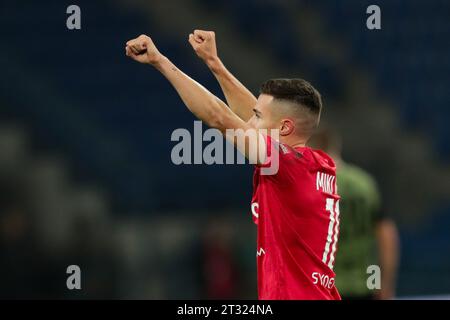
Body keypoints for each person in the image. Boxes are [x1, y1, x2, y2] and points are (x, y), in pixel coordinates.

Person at [125, 30, 341, 299]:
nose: (250, 122)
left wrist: (160, 61)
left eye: (258, 117)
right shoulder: (319, 163)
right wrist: (214, 64)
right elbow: (251, 112)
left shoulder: (285, 164)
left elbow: (219, 117)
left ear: (285, 127)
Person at [310, 127, 400, 299]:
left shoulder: (311, 185)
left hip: (324, 288)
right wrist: (384, 284)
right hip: (365, 284)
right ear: (336, 146)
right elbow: (387, 237)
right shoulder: (365, 183)